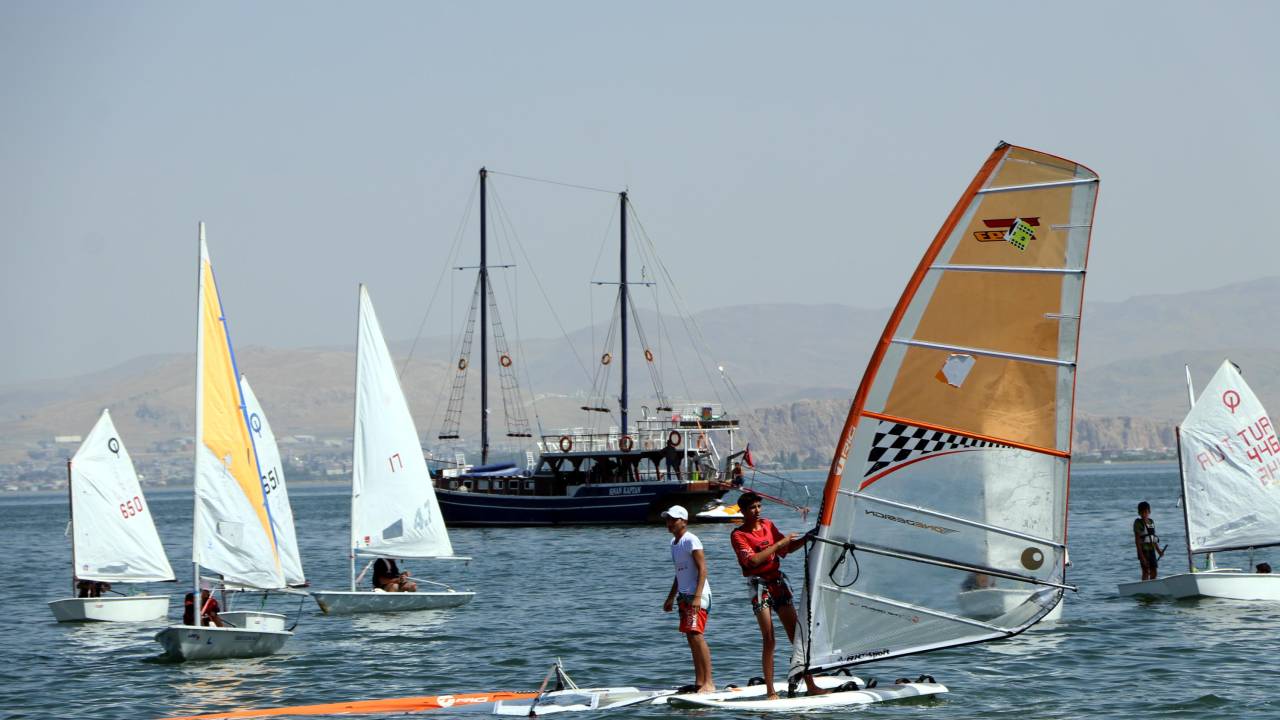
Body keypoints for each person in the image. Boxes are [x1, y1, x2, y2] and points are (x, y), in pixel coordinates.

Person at [730, 491, 826, 700]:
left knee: (796, 635)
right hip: (759, 586)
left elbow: (787, 549)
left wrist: (807, 537)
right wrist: (777, 545)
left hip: (778, 584)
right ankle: (770, 691)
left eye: (759, 506)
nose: (757, 511)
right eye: (752, 508)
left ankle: (811, 684)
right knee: (770, 639)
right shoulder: (738, 535)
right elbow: (752, 562)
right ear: (744, 511)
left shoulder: (767, 525)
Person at [662, 505, 714, 694]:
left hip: (697, 596)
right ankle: (699, 681)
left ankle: (709, 682)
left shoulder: (691, 540)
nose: (669, 523)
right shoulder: (673, 543)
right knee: (691, 639)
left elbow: (703, 569)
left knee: (696, 636)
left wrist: (697, 597)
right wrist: (670, 598)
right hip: (684, 597)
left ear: (683, 521)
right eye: (667, 519)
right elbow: (679, 573)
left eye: (673, 519)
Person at [1134, 501, 1163, 581]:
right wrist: (1142, 557)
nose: (1144, 514)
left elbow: (1153, 539)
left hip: (1151, 550)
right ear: (1139, 513)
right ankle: (1144, 587)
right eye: (1142, 512)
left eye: (1146, 512)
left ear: (1149, 512)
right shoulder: (1138, 523)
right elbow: (1137, 541)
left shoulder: (1151, 522)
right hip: (1143, 551)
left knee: (1154, 571)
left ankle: (1152, 586)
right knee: (1146, 571)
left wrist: (1158, 551)